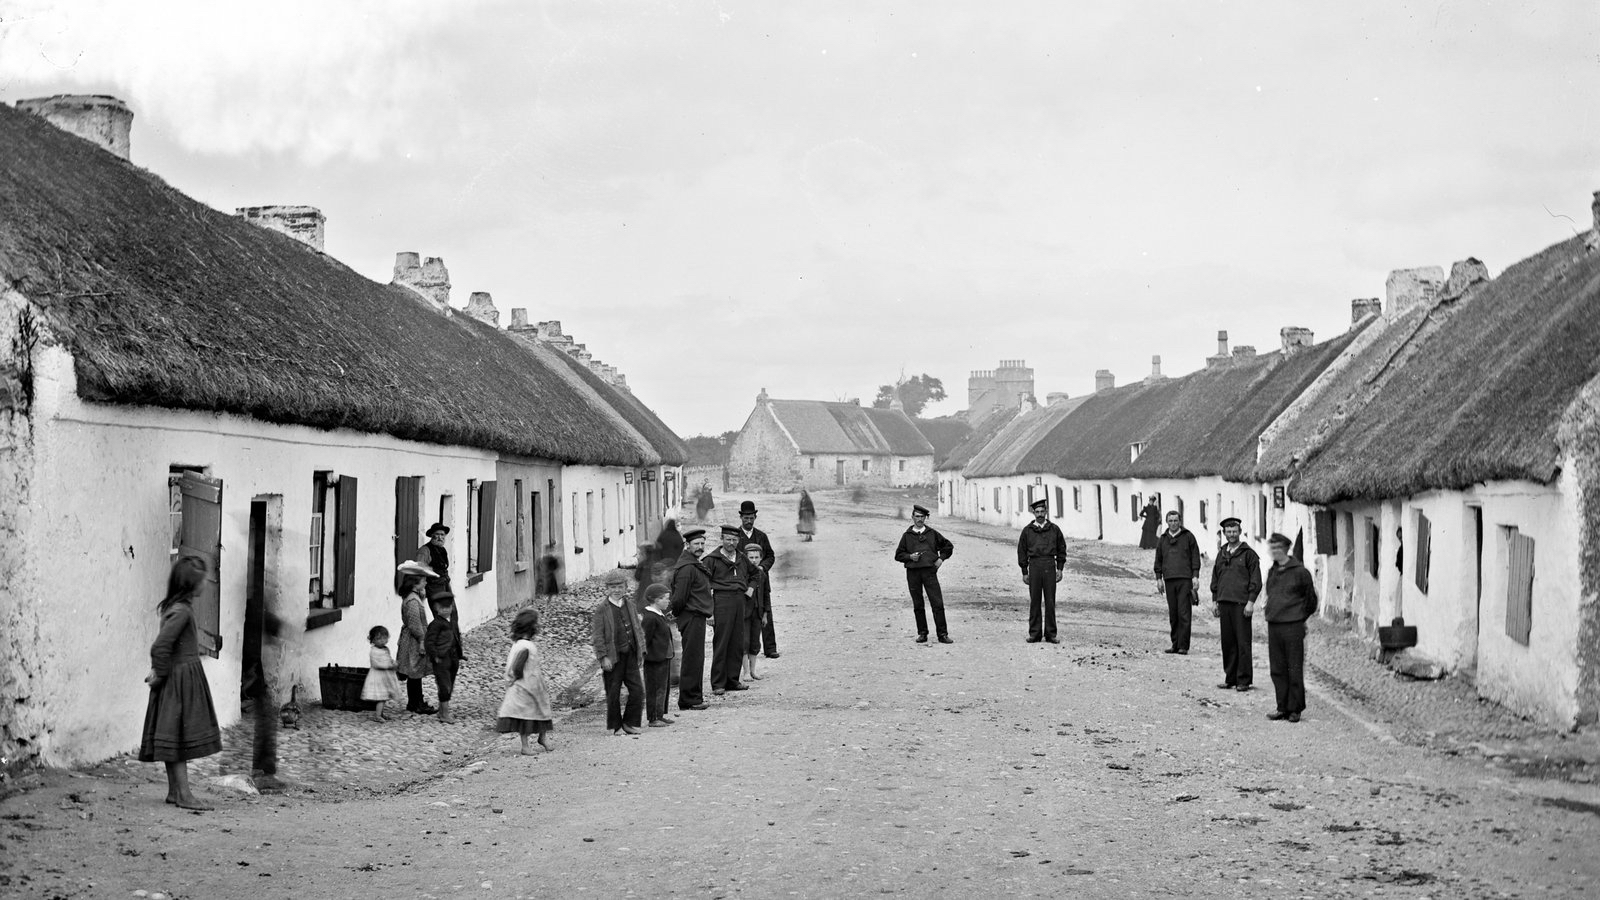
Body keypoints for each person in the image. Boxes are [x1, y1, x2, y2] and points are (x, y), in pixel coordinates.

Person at [139, 555, 222, 811]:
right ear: (190, 584)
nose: (205, 583)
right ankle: (184, 795)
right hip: (180, 681)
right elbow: (160, 646)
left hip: (177, 679)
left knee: (173, 736)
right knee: (180, 738)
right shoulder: (182, 612)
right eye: (202, 580)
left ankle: (174, 791)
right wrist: (160, 673)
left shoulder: (174, 608)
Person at [1264, 533, 1319, 723]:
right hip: (1274, 624)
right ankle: (1282, 707)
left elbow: (1311, 601)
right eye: (1272, 548)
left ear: (1286, 549)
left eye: (1277, 548)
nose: (1274, 551)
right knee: (1277, 668)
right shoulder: (1272, 571)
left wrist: (1298, 617)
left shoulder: (1301, 572)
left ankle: (1295, 709)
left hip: (1293, 626)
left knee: (1294, 667)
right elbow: (1270, 593)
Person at [1210, 517, 1262, 691]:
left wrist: (1250, 602)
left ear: (1239, 532)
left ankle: (1243, 680)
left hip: (1241, 604)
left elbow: (1256, 580)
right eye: (1228, 532)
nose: (1231, 534)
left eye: (1234, 531)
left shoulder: (1249, 554)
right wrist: (1215, 601)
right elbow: (1216, 578)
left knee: (1242, 643)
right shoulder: (1221, 553)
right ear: (1224, 533)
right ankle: (1230, 678)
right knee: (1228, 642)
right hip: (1224, 602)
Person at [592, 574, 646, 735]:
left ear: (625, 588)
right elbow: (598, 636)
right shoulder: (602, 609)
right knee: (613, 693)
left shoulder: (630, 605)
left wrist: (641, 651)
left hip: (630, 655)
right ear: (607, 589)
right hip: (613, 657)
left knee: (637, 690)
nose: (617, 590)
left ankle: (629, 722)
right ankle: (616, 726)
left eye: (620, 587)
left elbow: (637, 628)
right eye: (613, 587)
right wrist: (603, 657)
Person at [895, 504, 955, 643]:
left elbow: (948, 546)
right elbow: (898, 555)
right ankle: (922, 633)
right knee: (918, 604)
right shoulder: (907, 536)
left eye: (922, 517)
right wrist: (910, 557)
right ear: (912, 517)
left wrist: (941, 559)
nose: (919, 519)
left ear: (925, 518)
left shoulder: (932, 534)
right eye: (917, 516)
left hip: (929, 572)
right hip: (913, 573)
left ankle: (942, 634)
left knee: (937, 603)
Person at [497, 607, 554, 753]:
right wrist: (516, 678)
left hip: (532, 684)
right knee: (526, 715)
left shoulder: (519, 644)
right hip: (525, 686)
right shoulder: (525, 647)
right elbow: (517, 667)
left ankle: (541, 738)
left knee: (541, 709)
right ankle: (525, 745)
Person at [668, 528, 713, 711]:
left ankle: (693, 696)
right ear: (687, 545)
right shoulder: (687, 568)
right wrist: (677, 613)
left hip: (696, 616)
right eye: (696, 544)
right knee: (693, 658)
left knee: (696, 657)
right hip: (691, 616)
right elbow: (679, 598)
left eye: (702, 543)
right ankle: (689, 699)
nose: (700, 547)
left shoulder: (693, 564)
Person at [704, 525, 751, 696]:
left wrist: (751, 588)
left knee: (737, 642)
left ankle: (732, 680)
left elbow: (756, 574)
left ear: (738, 541)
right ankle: (718, 683)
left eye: (735, 540)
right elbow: (704, 586)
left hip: (739, 602)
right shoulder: (711, 560)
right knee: (722, 642)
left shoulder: (742, 558)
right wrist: (710, 611)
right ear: (722, 539)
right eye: (728, 539)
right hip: (721, 601)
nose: (731, 543)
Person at [1017, 498, 1067, 643]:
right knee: (1035, 601)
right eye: (1037, 512)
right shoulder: (1027, 531)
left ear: (1046, 512)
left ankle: (1051, 634)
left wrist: (1060, 569)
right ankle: (1035, 633)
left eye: (1042, 511)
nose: (1039, 514)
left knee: (1050, 601)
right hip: (1034, 566)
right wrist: (1024, 571)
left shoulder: (1054, 529)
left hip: (1049, 565)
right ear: (1033, 513)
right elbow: (1021, 551)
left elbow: (1061, 549)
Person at [1154, 510, 1201, 655]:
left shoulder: (1188, 537)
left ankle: (1183, 646)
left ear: (1180, 521)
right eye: (1170, 521)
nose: (1173, 523)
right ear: (1167, 522)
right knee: (1173, 614)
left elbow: (1195, 557)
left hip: (1185, 579)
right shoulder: (1163, 539)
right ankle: (1175, 644)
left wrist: (1195, 576)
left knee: (1184, 613)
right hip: (1169, 580)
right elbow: (1158, 560)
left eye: (1176, 520)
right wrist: (1159, 578)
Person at [738, 500, 780, 659]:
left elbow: (770, 556)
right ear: (741, 517)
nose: (749, 521)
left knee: (765, 611)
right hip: (744, 582)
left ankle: (770, 648)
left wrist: (762, 567)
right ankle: (745, 649)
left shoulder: (762, 536)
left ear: (755, 517)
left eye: (751, 518)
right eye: (746, 518)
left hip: (762, 581)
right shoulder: (736, 537)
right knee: (745, 614)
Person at [394, 562, 437, 715]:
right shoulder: (412, 600)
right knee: (415, 672)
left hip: (413, 638)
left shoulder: (414, 597)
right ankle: (416, 703)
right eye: (423, 580)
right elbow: (415, 624)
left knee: (415, 671)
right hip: (413, 640)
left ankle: (415, 701)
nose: (426, 583)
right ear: (415, 582)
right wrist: (422, 640)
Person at [425, 590, 465, 724]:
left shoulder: (452, 622)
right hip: (441, 660)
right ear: (436, 608)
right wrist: (435, 656)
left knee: (450, 684)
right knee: (444, 685)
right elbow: (429, 642)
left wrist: (459, 654)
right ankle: (444, 714)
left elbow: (456, 637)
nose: (446, 610)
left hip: (453, 658)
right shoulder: (435, 624)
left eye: (448, 607)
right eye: (443, 608)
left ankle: (442, 711)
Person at [641, 584, 676, 727]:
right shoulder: (650, 617)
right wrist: (643, 656)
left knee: (663, 688)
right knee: (655, 689)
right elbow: (645, 639)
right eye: (665, 598)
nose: (668, 601)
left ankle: (660, 714)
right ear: (656, 600)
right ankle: (653, 717)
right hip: (654, 659)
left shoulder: (659, 615)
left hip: (663, 657)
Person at [361, 626, 404, 722]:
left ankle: (381, 713)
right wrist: (388, 666)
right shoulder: (374, 651)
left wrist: (393, 662)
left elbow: (387, 658)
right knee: (381, 696)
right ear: (372, 640)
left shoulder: (385, 649)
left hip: (386, 676)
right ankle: (378, 715)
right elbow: (376, 664)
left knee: (384, 696)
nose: (382, 641)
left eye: (384, 638)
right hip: (378, 677)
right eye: (378, 639)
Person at [742, 542, 771, 679]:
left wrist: (765, 614)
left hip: (758, 612)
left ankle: (753, 670)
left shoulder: (762, 574)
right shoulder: (742, 573)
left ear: (761, 558)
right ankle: (746, 672)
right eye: (751, 557)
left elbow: (766, 595)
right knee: (744, 642)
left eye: (756, 557)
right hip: (744, 613)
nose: (753, 560)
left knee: (755, 642)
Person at [417, 523, 452, 597]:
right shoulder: (424, 550)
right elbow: (419, 570)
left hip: (445, 584)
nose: (440, 537)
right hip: (433, 586)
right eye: (437, 534)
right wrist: (421, 588)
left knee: (451, 604)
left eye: (442, 534)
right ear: (432, 535)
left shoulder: (442, 549)